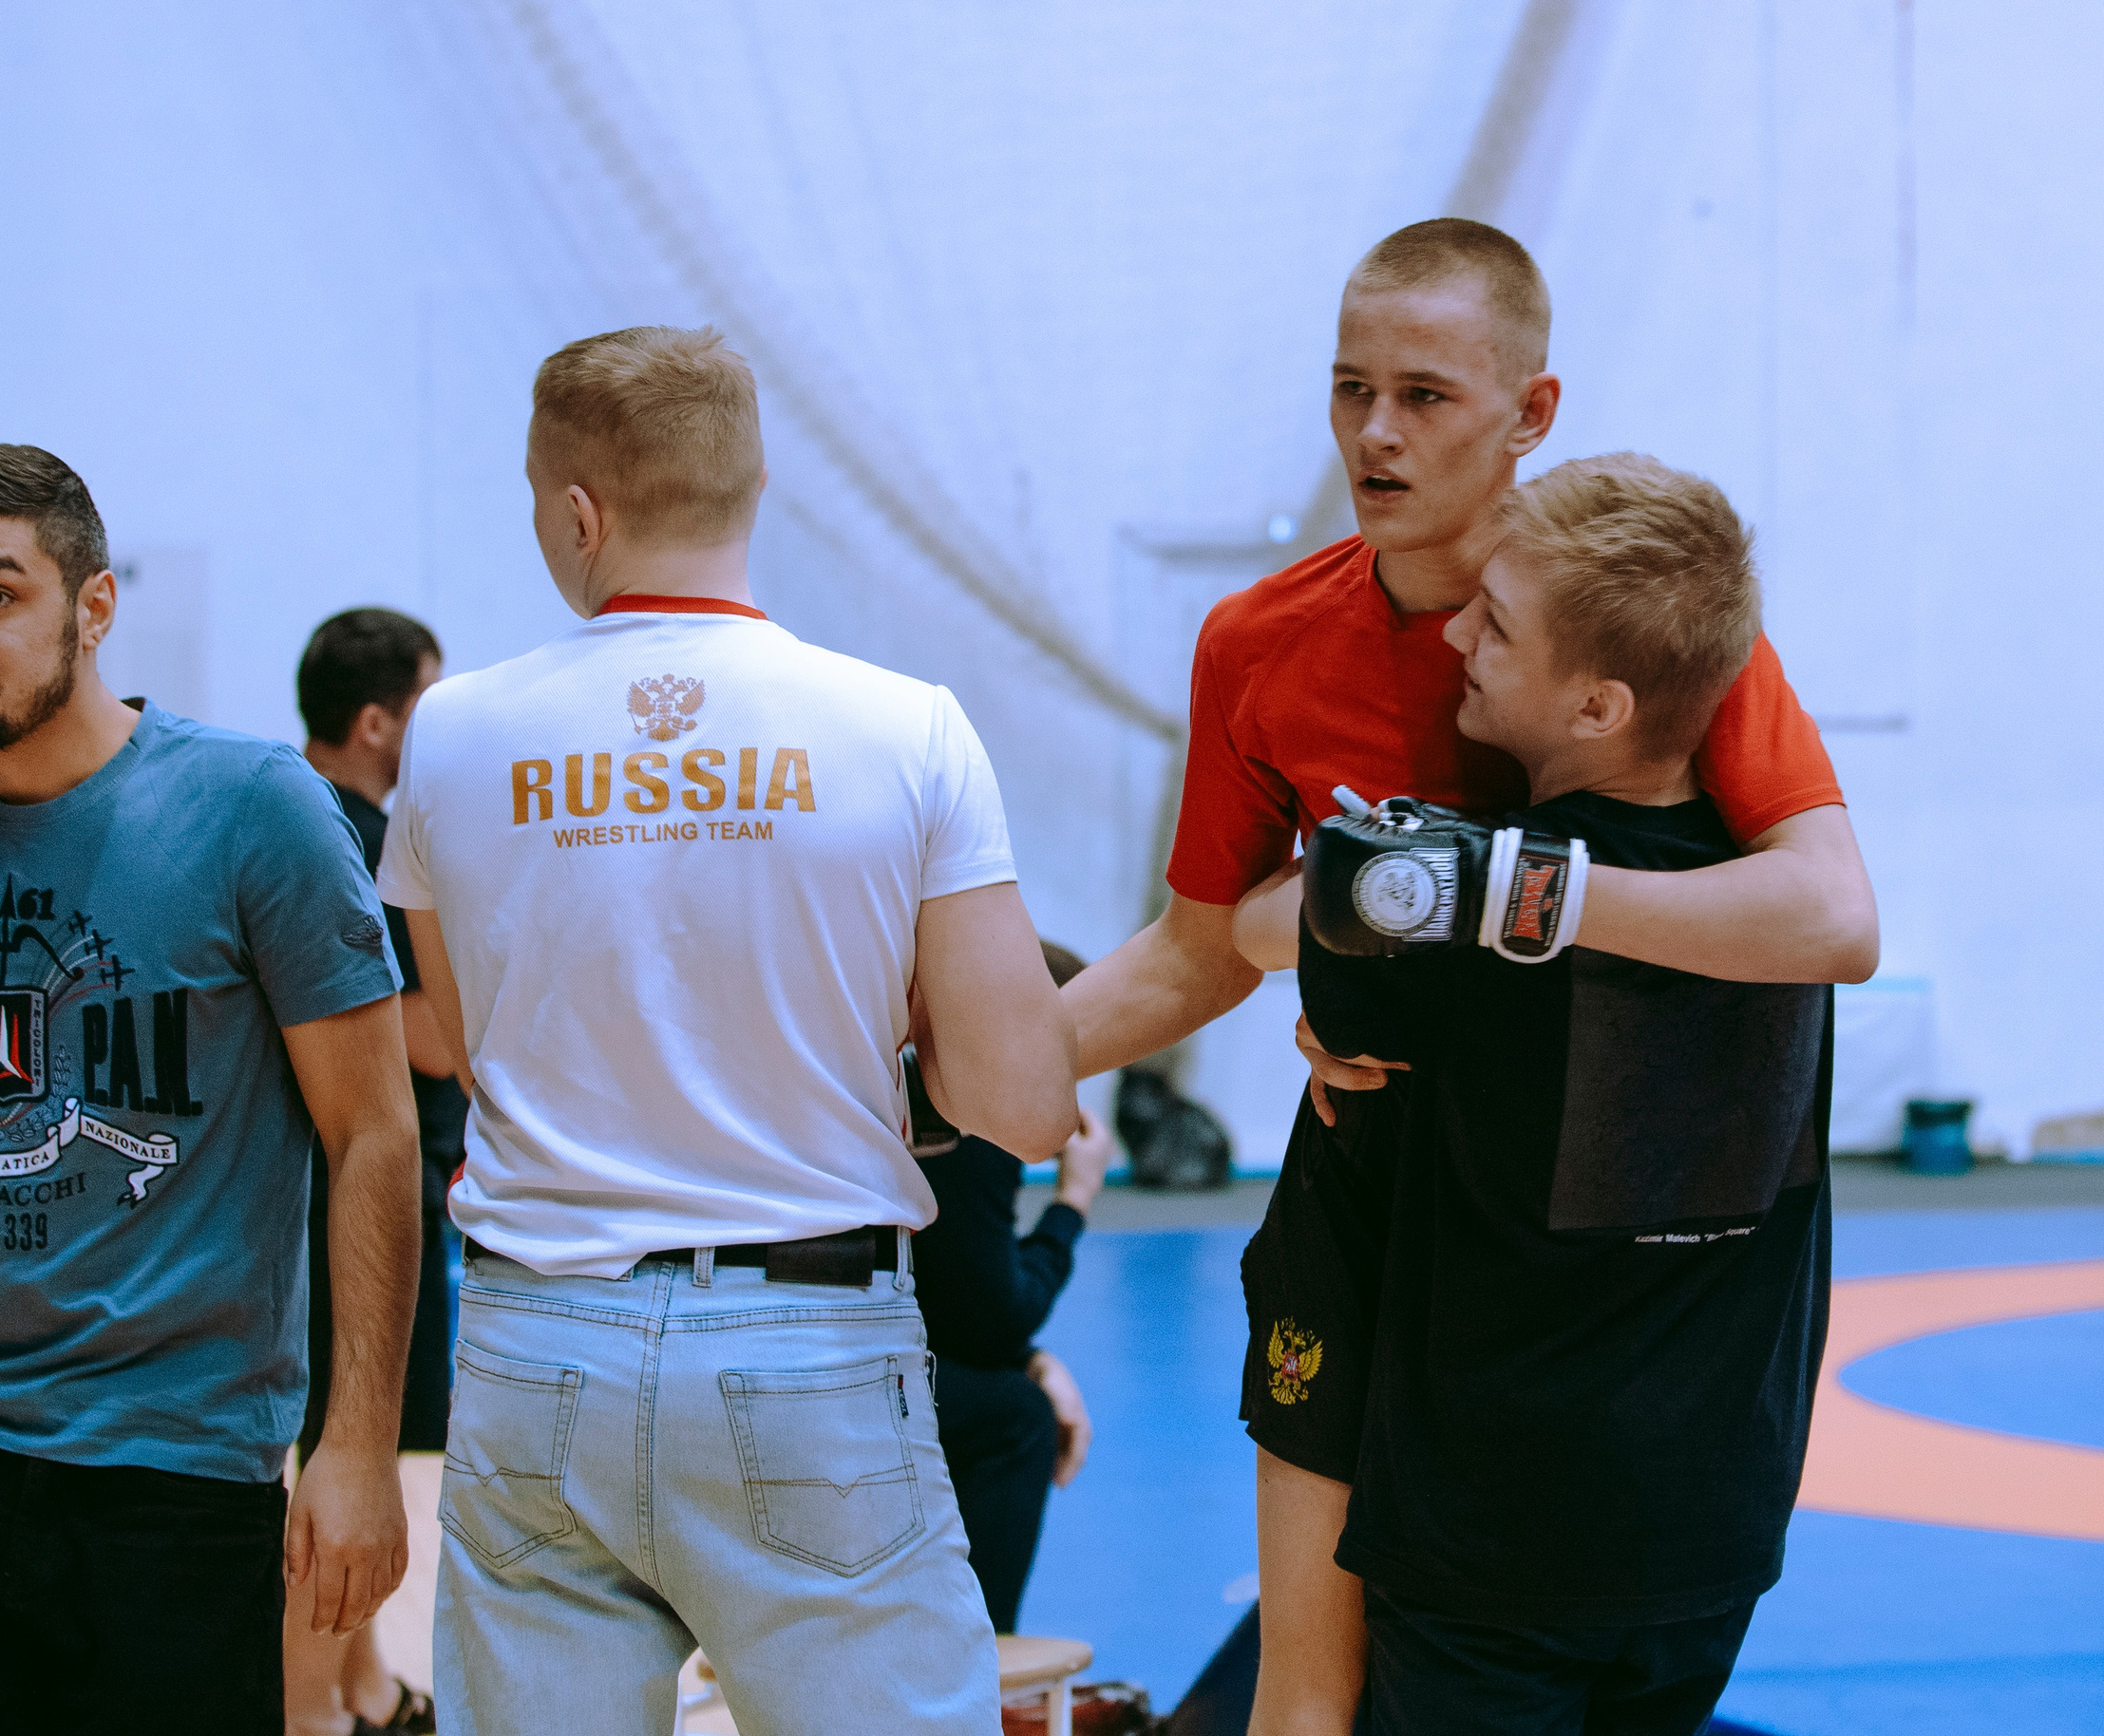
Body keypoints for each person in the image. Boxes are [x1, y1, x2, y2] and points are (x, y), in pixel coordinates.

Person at [1054, 218, 1876, 1735]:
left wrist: (1482, 902)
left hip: (1583, 1261)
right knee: (1310, 1693)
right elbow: (1201, 946)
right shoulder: (1261, 641)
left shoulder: (1630, 613)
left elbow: (1829, 914)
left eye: (1424, 396)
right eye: (1350, 388)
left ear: (1529, 411)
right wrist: (963, 1069)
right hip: (1375, 1197)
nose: (1376, 432)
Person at [382, 326, 1078, 1735]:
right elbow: (1020, 1098)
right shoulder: (907, 727)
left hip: (537, 1337)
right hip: (807, 1339)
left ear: (579, 513)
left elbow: (462, 1041)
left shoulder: (449, 736)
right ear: (754, 489)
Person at [0, 444, 424, 1736]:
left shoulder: (256, 810)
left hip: (181, 1471)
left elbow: (372, 1135)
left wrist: (358, 1444)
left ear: (94, 607)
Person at [1278, 454, 1831, 1732]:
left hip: (1496, 1534)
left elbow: (1342, 992)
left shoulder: (1453, 912)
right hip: (1714, 1524)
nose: (1455, 637)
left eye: (1497, 623)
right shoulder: (1779, 912)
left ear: (1597, 704)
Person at [292, 605, 464, 1736]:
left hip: (333, 1189)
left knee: (350, 1449)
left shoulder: (316, 823)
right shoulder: (351, 842)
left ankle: (360, 1686)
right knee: (340, 1451)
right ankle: (306, 1706)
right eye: (425, 705)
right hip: (346, 1196)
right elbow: (423, 1038)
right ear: (374, 722)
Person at [909, 939, 1109, 1633]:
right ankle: (981, 1653)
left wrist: (1031, 1356)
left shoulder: (906, 1074)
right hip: (804, 1362)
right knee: (1019, 1418)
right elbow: (993, 1314)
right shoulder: (966, 1113)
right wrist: (1073, 1201)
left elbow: (944, 1296)